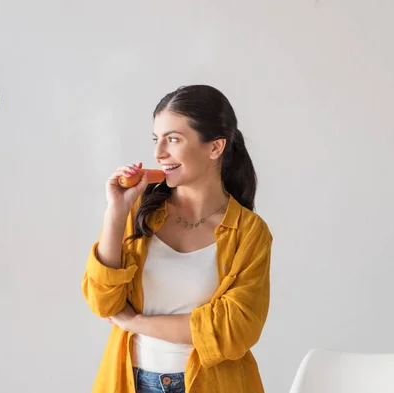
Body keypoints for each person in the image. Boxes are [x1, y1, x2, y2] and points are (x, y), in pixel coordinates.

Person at [82, 85, 273, 393]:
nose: (159, 153)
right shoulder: (139, 214)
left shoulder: (249, 232)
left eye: (173, 139)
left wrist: (134, 323)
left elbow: (235, 328)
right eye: (157, 140)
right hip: (129, 381)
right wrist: (115, 213)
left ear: (215, 148)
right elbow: (104, 303)